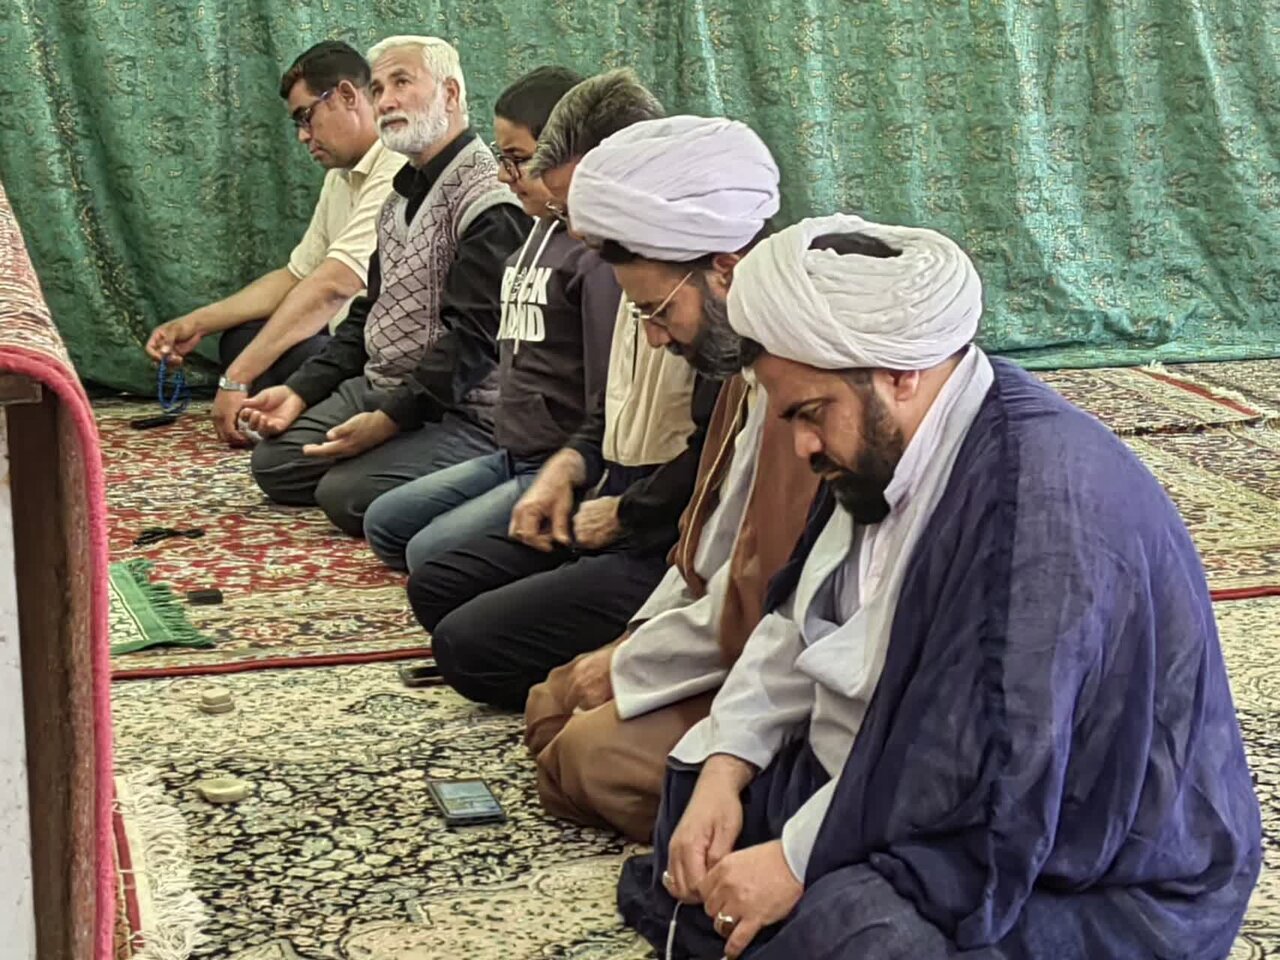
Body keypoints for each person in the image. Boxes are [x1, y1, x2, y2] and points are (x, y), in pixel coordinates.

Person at [617, 214, 1263, 960]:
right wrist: (727, 766)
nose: (801, 445)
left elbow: (990, 776)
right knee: (694, 802)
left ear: (901, 373)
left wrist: (796, 859)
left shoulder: (1035, 511)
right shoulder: (883, 445)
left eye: (810, 414)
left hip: (1087, 866)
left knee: (855, 933)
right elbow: (800, 620)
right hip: (894, 769)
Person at [522, 116, 820, 843]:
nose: (655, 337)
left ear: (726, 267)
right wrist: (633, 648)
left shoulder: (806, 392)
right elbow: (704, 551)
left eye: (658, 311)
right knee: (550, 705)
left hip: (785, 671)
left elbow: (769, 605)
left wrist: (634, 667)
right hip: (722, 638)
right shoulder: (743, 366)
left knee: (584, 756)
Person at [404, 72, 721, 712]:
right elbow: (612, 406)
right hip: (613, 498)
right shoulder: (622, 263)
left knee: (467, 646)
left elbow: (716, 462)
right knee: (437, 585)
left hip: (663, 536)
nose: (576, 228)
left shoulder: (705, 286)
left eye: (583, 205)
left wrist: (625, 514)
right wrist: (564, 470)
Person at [243, 36, 531, 536]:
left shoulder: (489, 199)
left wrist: (387, 423)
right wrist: (298, 390)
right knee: (276, 464)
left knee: (345, 494)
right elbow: (369, 312)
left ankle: (487, 471)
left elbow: (474, 342)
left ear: (450, 94)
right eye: (378, 88)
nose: (387, 101)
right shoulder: (399, 197)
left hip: (463, 410)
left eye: (401, 82)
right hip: (386, 386)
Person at [363, 66, 621, 572]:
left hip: (557, 463)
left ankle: (552, 536)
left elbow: (606, 393)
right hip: (510, 451)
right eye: (503, 159)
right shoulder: (535, 229)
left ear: (569, 156)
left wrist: (571, 470)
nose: (504, 176)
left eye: (518, 160)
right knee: (384, 524)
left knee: (425, 554)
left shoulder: (592, 257)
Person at [145, 40, 404, 446]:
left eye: (306, 116)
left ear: (348, 95)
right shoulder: (340, 176)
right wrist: (196, 323)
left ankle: (303, 415)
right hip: (343, 341)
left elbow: (333, 286)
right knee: (240, 337)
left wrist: (236, 378)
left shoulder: (398, 165)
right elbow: (296, 276)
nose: (302, 136)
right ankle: (290, 411)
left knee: (287, 367)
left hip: (376, 355)